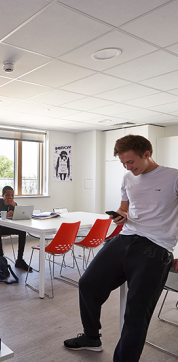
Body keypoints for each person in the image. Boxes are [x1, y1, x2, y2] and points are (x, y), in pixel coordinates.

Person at [63, 135, 178, 362]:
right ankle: (91, 337)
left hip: (155, 247)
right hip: (125, 238)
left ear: (147, 154)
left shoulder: (173, 177)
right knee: (88, 284)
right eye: (123, 163)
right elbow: (124, 208)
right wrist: (121, 217)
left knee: (135, 313)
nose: (127, 167)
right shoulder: (127, 178)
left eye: (131, 162)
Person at [0, 186, 32, 272]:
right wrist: (5, 216)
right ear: (3, 195)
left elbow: (19, 217)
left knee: (22, 231)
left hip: (3, 226)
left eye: (12, 195)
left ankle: (19, 260)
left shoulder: (13, 204)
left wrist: (15, 207)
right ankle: (1, 260)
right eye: (8, 195)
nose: (10, 197)